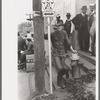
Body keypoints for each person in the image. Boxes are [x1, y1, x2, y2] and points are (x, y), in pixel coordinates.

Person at [44, 23, 77, 89]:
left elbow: (68, 42)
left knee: (61, 69)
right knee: (60, 68)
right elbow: (45, 37)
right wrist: (47, 28)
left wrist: (72, 50)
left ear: (62, 27)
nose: (58, 27)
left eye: (60, 26)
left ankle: (59, 81)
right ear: (56, 27)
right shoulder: (52, 34)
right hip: (56, 53)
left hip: (63, 53)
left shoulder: (64, 33)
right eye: (57, 26)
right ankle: (65, 74)